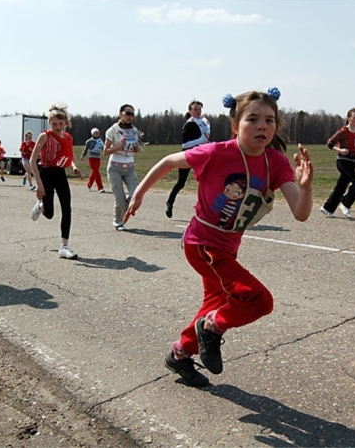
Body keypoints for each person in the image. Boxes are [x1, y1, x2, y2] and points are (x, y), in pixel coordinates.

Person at [124, 88, 314, 387]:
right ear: (236, 126)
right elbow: (169, 162)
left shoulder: (274, 162)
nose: (262, 126)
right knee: (259, 300)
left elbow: (300, 213)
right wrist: (139, 192)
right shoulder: (217, 152)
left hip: (229, 246)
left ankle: (180, 354)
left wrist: (306, 188)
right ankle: (211, 329)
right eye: (253, 119)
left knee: (217, 301)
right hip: (202, 245)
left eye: (269, 120)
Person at [29, 103, 83, 259]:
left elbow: (69, 154)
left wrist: (74, 167)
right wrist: (39, 185)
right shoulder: (45, 136)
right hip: (45, 173)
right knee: (49, 213)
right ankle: (41, 205)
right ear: (49, 123)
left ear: (65, 123)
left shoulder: (67, 137)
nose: (58, 127)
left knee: (67, 208)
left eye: (61, 124)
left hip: (60, 173)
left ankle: (64, 246)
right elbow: (33, 161)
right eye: (54, 124)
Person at [165, 100, 210, 218]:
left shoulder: (204, 122)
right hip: (188, 155)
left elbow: (206, 138)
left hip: (201, 155)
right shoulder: (189, 124)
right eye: (195, 109)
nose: (198, 111)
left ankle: (206, 210)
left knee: (206, 180)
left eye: (199, 109)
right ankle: (170, 203)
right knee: (181, 183)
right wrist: (202, 140)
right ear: (190, 111)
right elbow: (185, 144)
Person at [320, 108, 355, 219]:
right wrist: (340, 150)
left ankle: (327, 208)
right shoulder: (343, 132)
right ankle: (346, 203)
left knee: (341, 186)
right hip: (342, 162)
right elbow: (330, 143)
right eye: (354, 117)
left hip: (352, 162)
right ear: (348, 118)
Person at [104, 104, 143, 231]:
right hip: (114, 167)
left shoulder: (134, 130)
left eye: (132, 114)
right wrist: (119, 146)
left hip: (129, 168)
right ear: (120, 113)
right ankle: (118, 221)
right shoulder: (113, 130)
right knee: (119, 199)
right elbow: (105, 151)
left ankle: (123, 206)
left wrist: (137, 148)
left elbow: (135, 148)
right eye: (127, 113)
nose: (130, 116)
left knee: (135, 195)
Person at [80, 127, 105, 193]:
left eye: (97, 133)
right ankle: (100, 187)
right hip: (92, 158)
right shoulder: (89, 141)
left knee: (94, 172)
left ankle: (89, 185)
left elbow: (103, 149)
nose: (96, 134)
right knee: (96, 172)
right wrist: (82, 155)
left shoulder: (100, 141)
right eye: (95, 133)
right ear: (92, 134)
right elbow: (85, 149)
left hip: (98, 158)